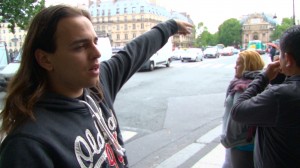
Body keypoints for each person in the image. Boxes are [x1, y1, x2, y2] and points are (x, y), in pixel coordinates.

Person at [0, 5, 192, 167]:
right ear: (45, 59)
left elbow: (135, 51)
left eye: (94, 41)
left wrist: (171, 26)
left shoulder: (97, 87)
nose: (97, 53)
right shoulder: (27, 145)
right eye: (80, 46)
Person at [231, 25, 300, 168]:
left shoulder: (279, 96)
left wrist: (264, 78)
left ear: (287, 59)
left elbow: (238, 111)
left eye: (280, 54)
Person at [221, 50, 265, 168]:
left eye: (239, 63)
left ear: (249, 65)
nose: (235, 67)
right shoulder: (261, 83)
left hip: (240, 143)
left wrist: (227, 140)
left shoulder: (243, 87)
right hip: (251, 141)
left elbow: (237, 119)